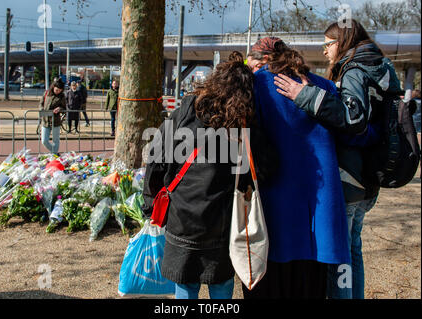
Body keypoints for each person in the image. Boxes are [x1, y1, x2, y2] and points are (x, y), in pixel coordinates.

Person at [273, 20, 402, 299]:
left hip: (350, 174)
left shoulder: (354, 70)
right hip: (369, 176)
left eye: (328, 43)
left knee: (338, 257)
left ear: (341, 41)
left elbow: (352, 118)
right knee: (353, 248)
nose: (326, 50)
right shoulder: (380, 66)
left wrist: (305, 95)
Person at [142, 58, 277, 299]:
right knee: (221, 285)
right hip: (221, 222)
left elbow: (156, 158)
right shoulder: (244, 126)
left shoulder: (185, 112)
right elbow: (266, 168)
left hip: (181, 217)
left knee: (185, 285)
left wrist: (150, 202)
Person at [244, 37, 351, 299]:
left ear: (265, 60)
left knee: (269, 283)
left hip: (273, 203)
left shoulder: (257, 86)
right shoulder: (324, 86)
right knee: (310, 285)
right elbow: (352, 131)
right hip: (319, 208)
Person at [39, 78, 66, 155]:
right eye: (57, 90)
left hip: (56, 121)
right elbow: (40, 104)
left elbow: (64, 108)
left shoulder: (62, 96)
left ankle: (54, 155)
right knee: (44, 140)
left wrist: (59, 108)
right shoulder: (46, 93)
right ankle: (55, 152)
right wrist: (42, 110)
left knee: (55, 140)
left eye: (60, 91)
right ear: (53, 87)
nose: (58, 92)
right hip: (45, 120)